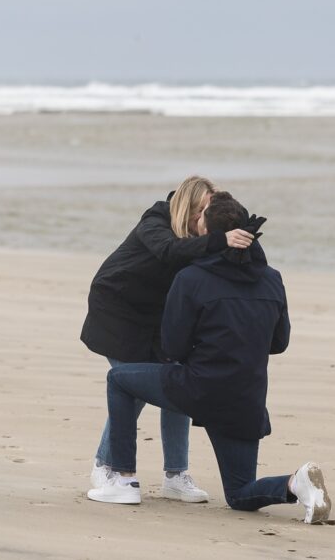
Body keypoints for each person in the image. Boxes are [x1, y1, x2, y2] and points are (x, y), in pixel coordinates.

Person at [87, 192, 332, 524]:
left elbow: (172, 349)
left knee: (120, 379)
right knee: (240, 493)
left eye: (202, 216)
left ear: (208, 231)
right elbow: (279, 343)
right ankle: (296, 482)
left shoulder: (191, 278)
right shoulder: (273, 279)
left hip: (198, 389)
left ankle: (122, 478)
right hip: (247, 401)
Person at [80, 176, 256, 503]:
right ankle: (106, 467)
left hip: (156, 318)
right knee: (132, 386)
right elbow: (168, 251)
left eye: (210, 210)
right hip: (117, 310)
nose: (207, 216)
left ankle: (176, 476)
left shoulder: (202, 234)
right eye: (203, 209)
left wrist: (238, 228)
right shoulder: (157, 220)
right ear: (188, 208)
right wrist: (219, 240)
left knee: (178, 383)